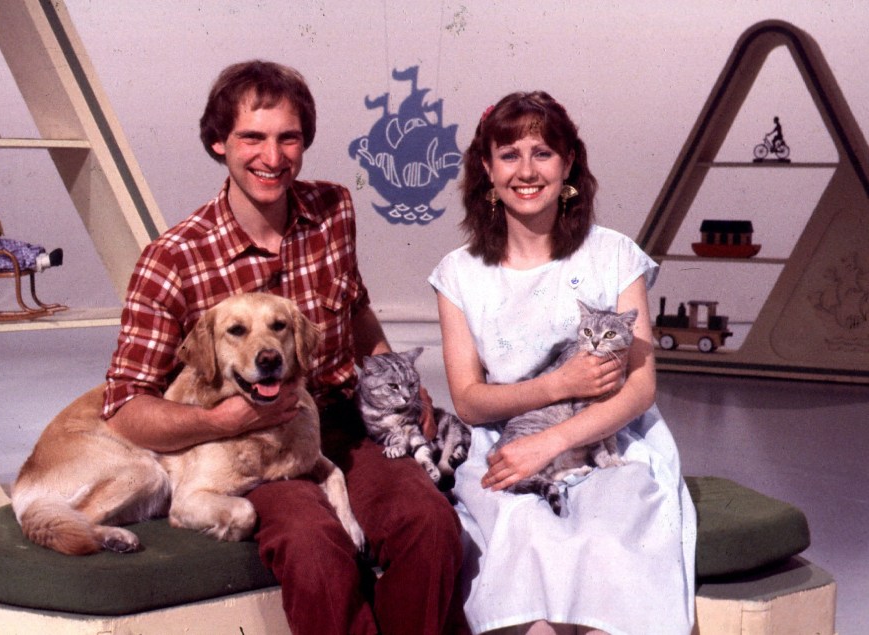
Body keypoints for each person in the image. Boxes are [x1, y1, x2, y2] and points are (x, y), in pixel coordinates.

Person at [101, 59, 467, 635]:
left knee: (429, 523)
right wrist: (224, 420)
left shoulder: (333, 210)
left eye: (287, 138)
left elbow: (356, 311)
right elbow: (124, 411)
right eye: (252, 137)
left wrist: (396, 380)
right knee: (316, 550)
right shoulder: (171, 260)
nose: (272, 158)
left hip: (345, 423)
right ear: (219, 143)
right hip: (254, 448)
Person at [428, 92, 696, 635]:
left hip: (608, 442)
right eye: (509, 154)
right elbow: (469, 400)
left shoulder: (614, 254)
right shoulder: (458, 273)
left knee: (608, 551)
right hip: (504, 446)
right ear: (486, 168)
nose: (526, 171)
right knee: (525, 546)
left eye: (542, 153)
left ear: (568, 162)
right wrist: (558, 386)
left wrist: (553, 440)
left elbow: (640, 389)